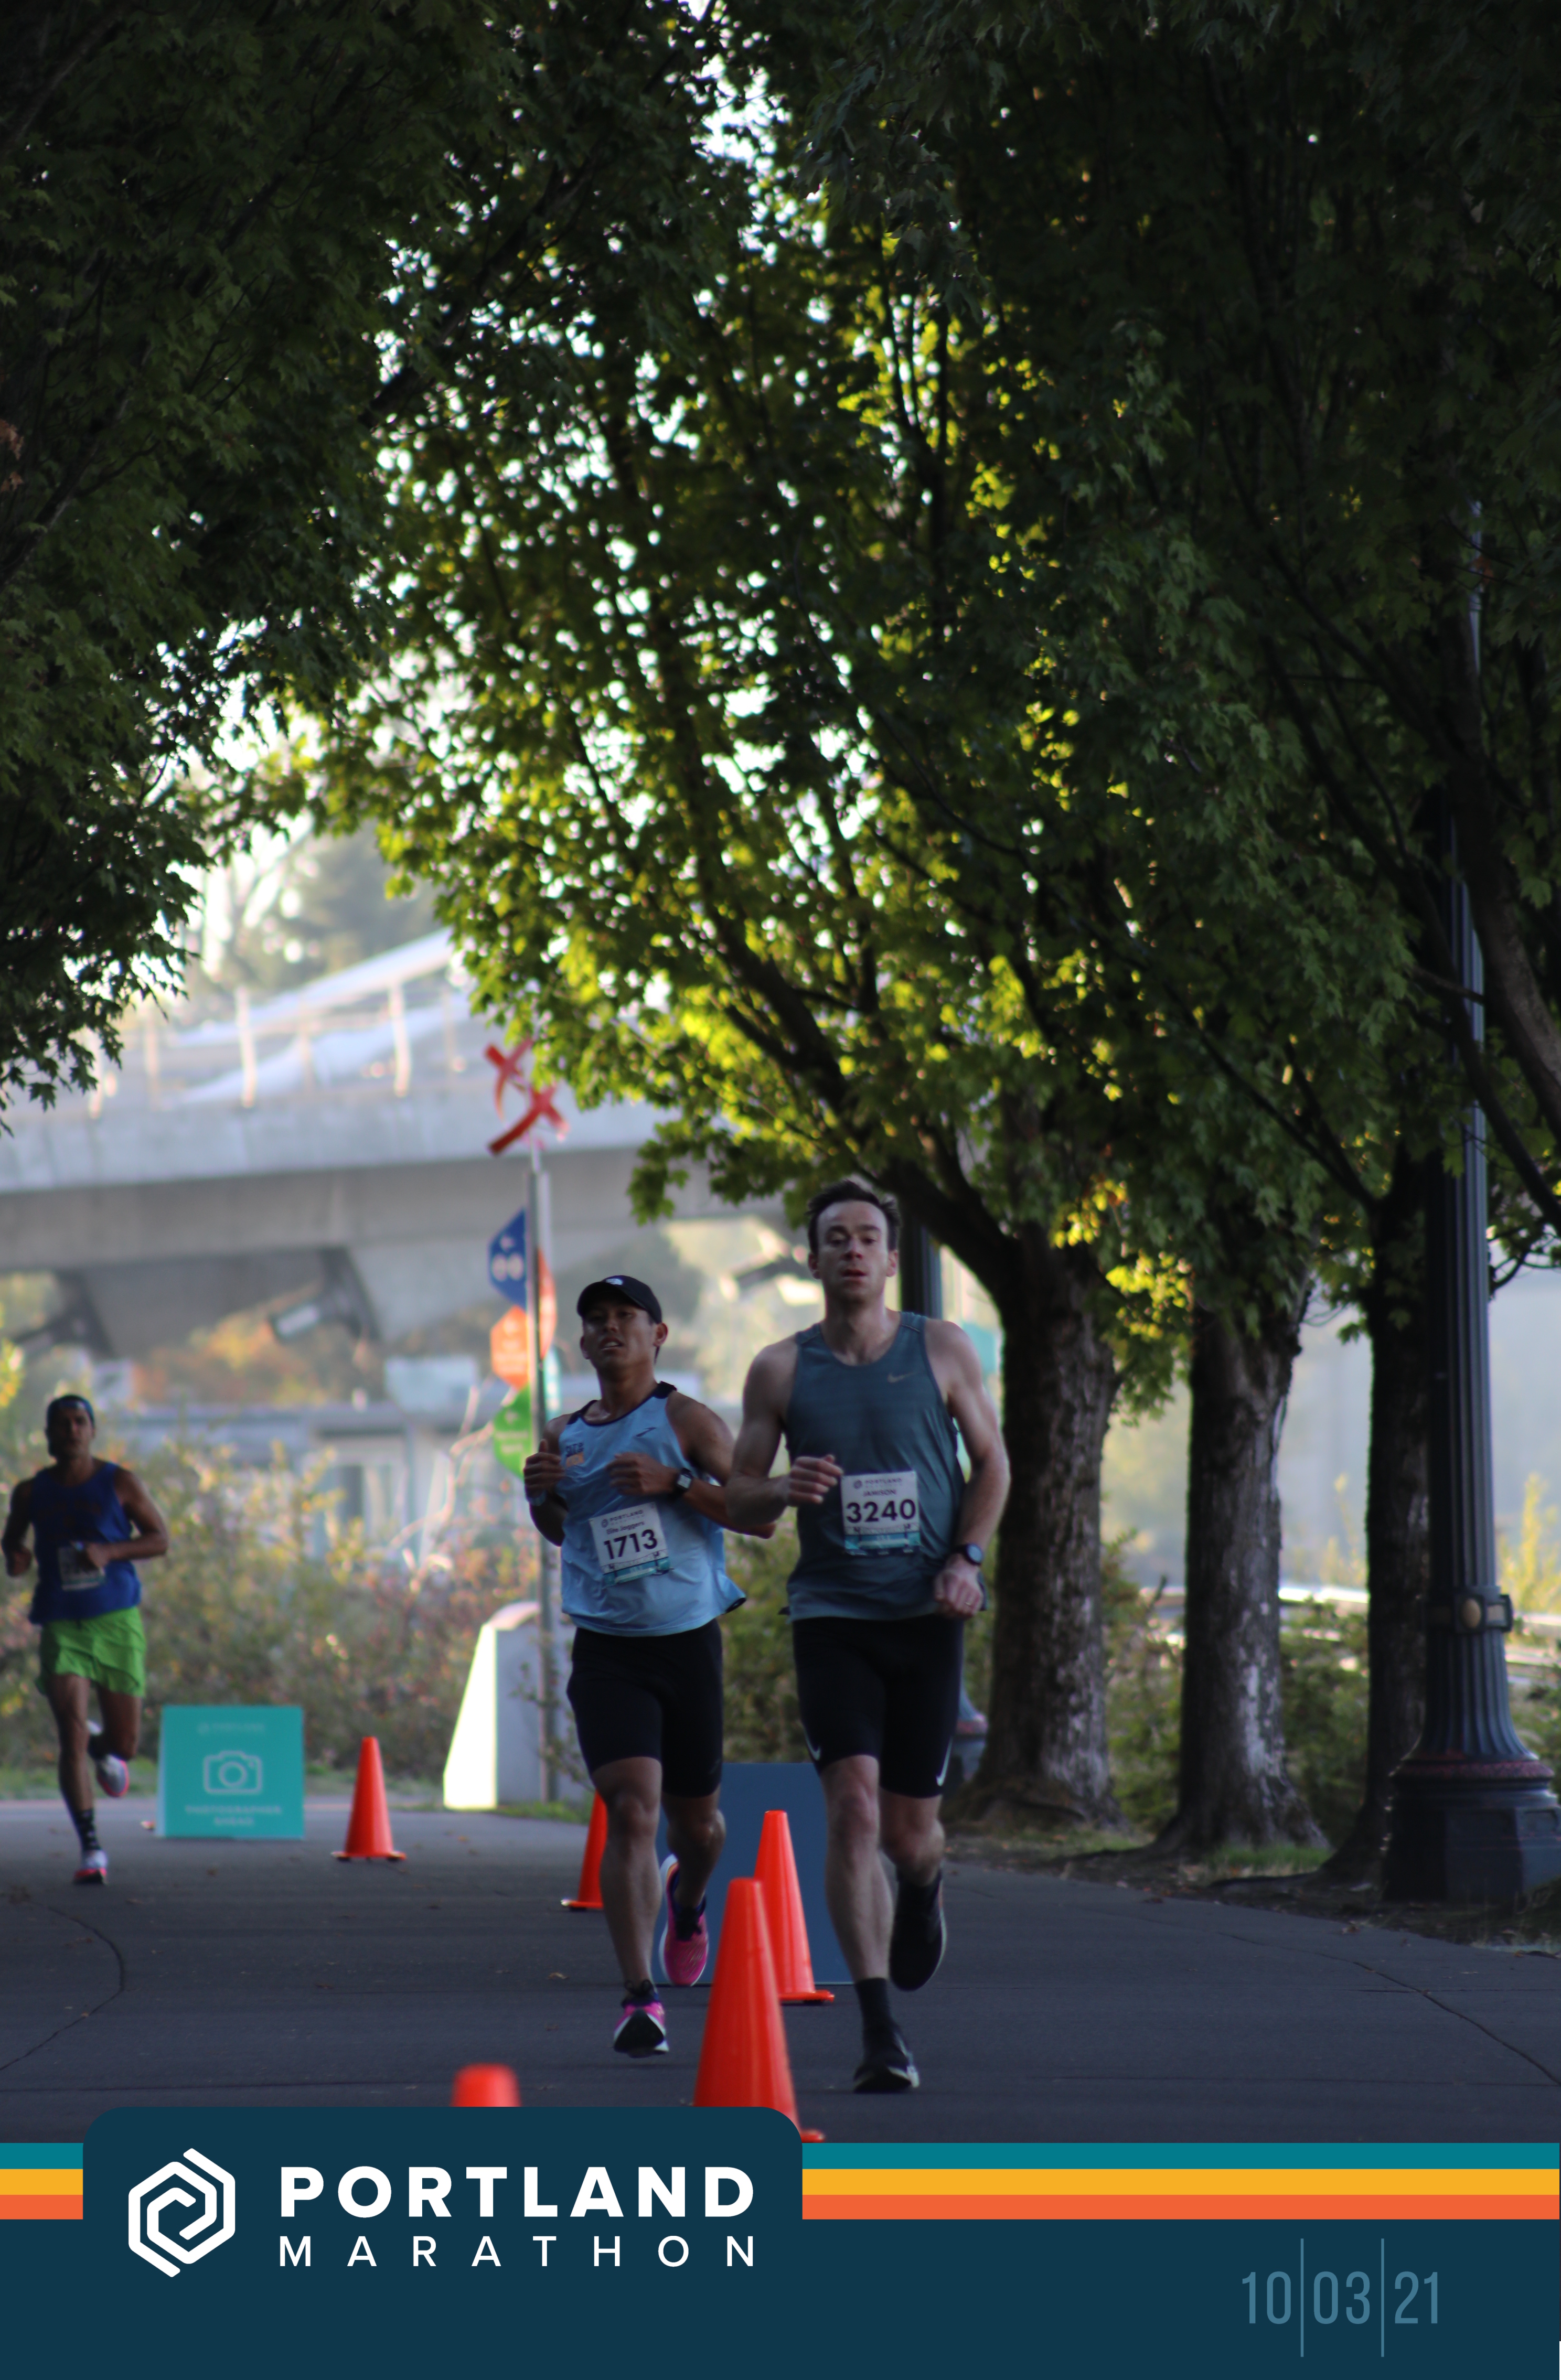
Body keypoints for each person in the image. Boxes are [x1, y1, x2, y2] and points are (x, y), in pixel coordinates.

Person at [727, 1182, 1010, 2092]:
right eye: (836, 1238)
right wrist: (783, 1487)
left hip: (926, 1615)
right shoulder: (779, 1368)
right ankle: (880, 2029)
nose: (852, 1250)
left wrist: (966, 1558)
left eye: (867, 1238)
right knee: (851, 1808)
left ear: (891, 1259)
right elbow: (740, 1499)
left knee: (908, 1835)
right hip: (832, 1616)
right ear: (812, 1259)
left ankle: (923, 1886)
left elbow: (993, 1462)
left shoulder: (942, 1347)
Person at [522, 1275, 773, 2058]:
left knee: (697, 1827)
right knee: (632, 1808)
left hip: (686, 1640)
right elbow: (565, 1529)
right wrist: (540, 1498)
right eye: (596, 1319)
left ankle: (688, 1899)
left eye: (626, 1316)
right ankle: (640, 1997)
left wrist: (679, 1482)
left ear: (657, 1334)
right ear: (582, 1341)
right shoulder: (562, 1432)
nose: (610, 1329)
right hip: (607, 1646)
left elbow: (758, 1513)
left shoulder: (687, 1419)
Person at [2, 1393, 170, 1885]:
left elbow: (160, 1538)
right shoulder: (31, 1492)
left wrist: (110, 1552)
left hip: (116, 1620)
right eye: (63, 1423)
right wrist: (16, 1556)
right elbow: (13, 1540)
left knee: (126, 1743)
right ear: (49, 1435)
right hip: (61, 1622)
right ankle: (91, 1847)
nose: (72, 1430)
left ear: (93, 1431)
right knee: (70, 1735)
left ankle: (106, 1749)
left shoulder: (120, 1482)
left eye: (80, 1422)